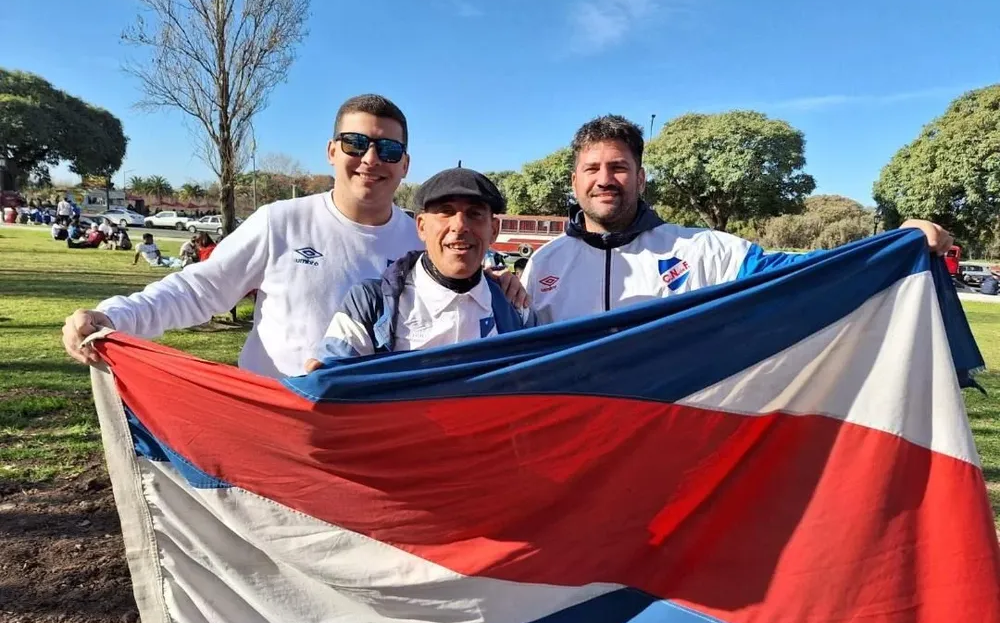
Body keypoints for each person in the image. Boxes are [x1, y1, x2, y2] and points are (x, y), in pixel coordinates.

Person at [62, 94, 522, 378]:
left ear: (405, 165)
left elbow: (467, 289)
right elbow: (200, 289)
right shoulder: (279, 221)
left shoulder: (419, 239)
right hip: (277, 419)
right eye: (355, 144)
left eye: (389, 149)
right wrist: (115, 316)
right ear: (331, 151)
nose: (371, 159)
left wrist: (500, 279)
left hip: (372, 433)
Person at [523, 115, 953, 324]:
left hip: (668, 443)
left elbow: (802, 272)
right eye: (592, 169)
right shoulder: (545, 263)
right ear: (575, 181)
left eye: (618, 168)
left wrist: (893, 246)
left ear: (640, 177)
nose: (605, 180)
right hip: (575, 451)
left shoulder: (702, 250)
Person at [309, 168, 530, 367]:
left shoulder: (514, 305)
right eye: (446, 211)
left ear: (493, 230)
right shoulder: (369, 303)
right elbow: (330, 384)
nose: (460, 225)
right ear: (422, 227)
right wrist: (320, 382)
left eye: (475, 214)